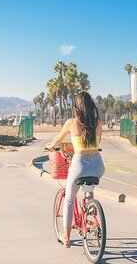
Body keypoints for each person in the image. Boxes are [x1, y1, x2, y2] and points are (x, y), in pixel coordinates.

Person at [45, 91, 105, 248]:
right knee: (89, 188)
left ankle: (66, 237)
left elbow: (58, 139)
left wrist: (50, 147)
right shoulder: (98, 122)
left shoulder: (71, 123)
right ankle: (91, 213)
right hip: (98, 166)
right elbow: (95, 143)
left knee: (70, 198)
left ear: (76, 107)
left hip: (80, 164)